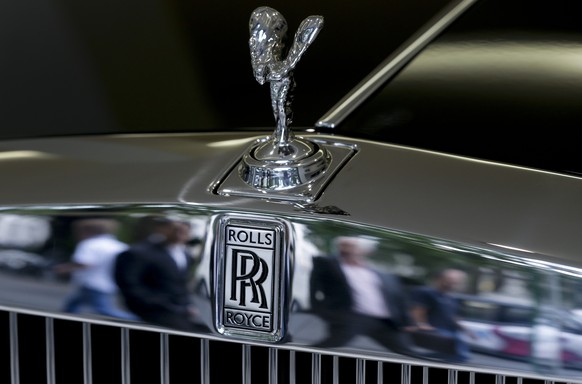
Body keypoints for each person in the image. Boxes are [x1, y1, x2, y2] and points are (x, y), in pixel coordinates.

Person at [309, 236, 425, 357]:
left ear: (363, 251)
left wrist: (408, 321)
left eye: (351, 246)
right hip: (352, 317)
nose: (347, 250)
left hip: (384, 321)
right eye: (343, 246)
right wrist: (318, 309)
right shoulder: (328, 264)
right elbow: (314, 287)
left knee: (409, 352)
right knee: (328, 346)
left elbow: (398, 298)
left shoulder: (378, 273)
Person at [114, 217, 204, 331]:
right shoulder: (137, 252)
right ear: (161, 229)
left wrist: (187, 306)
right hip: (153, 311)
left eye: (185, 231)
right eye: (175, 229)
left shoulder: (184, 254)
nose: (180, 234)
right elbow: (129, 284)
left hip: (182, 310)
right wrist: (159, 305)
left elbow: (181, 283)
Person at [55, 218, 136, 320]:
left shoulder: (89, 244)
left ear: (88, 231)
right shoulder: (120, 246)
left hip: (93, 283)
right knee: (73, 303)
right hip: (108, 283)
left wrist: (64, 268)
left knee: (104, 310)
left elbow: (85, 263)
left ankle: (141, 320)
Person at [409, 268, 473, 363]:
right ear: (439, 279)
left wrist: (465, 329)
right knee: (459, 356)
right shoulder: (425, 292)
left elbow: (453, 316)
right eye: (450, 281)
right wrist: (421, 324)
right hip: (436, 331)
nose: (454, 284)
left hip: (450, 334)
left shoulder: (450, 297)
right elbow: (418, 310)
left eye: (456, 282)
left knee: (459, 357)